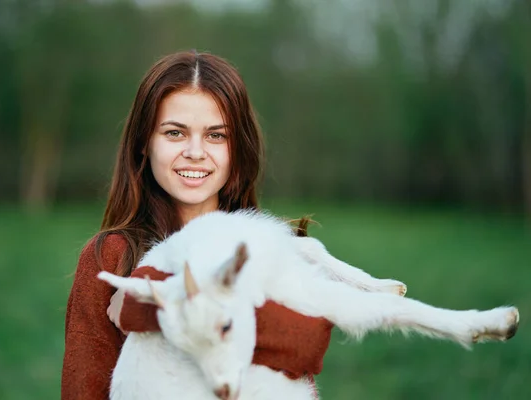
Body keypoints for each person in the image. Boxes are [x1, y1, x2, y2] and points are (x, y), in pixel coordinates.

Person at [61, 50, 333, 400]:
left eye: (216, 135)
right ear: (144, 142)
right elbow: (83, 389)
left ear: (238, 148)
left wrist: (146, 307)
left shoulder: (265, 245)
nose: (195, 151)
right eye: (174, 133)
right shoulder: (111, 256)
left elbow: (306, 346)